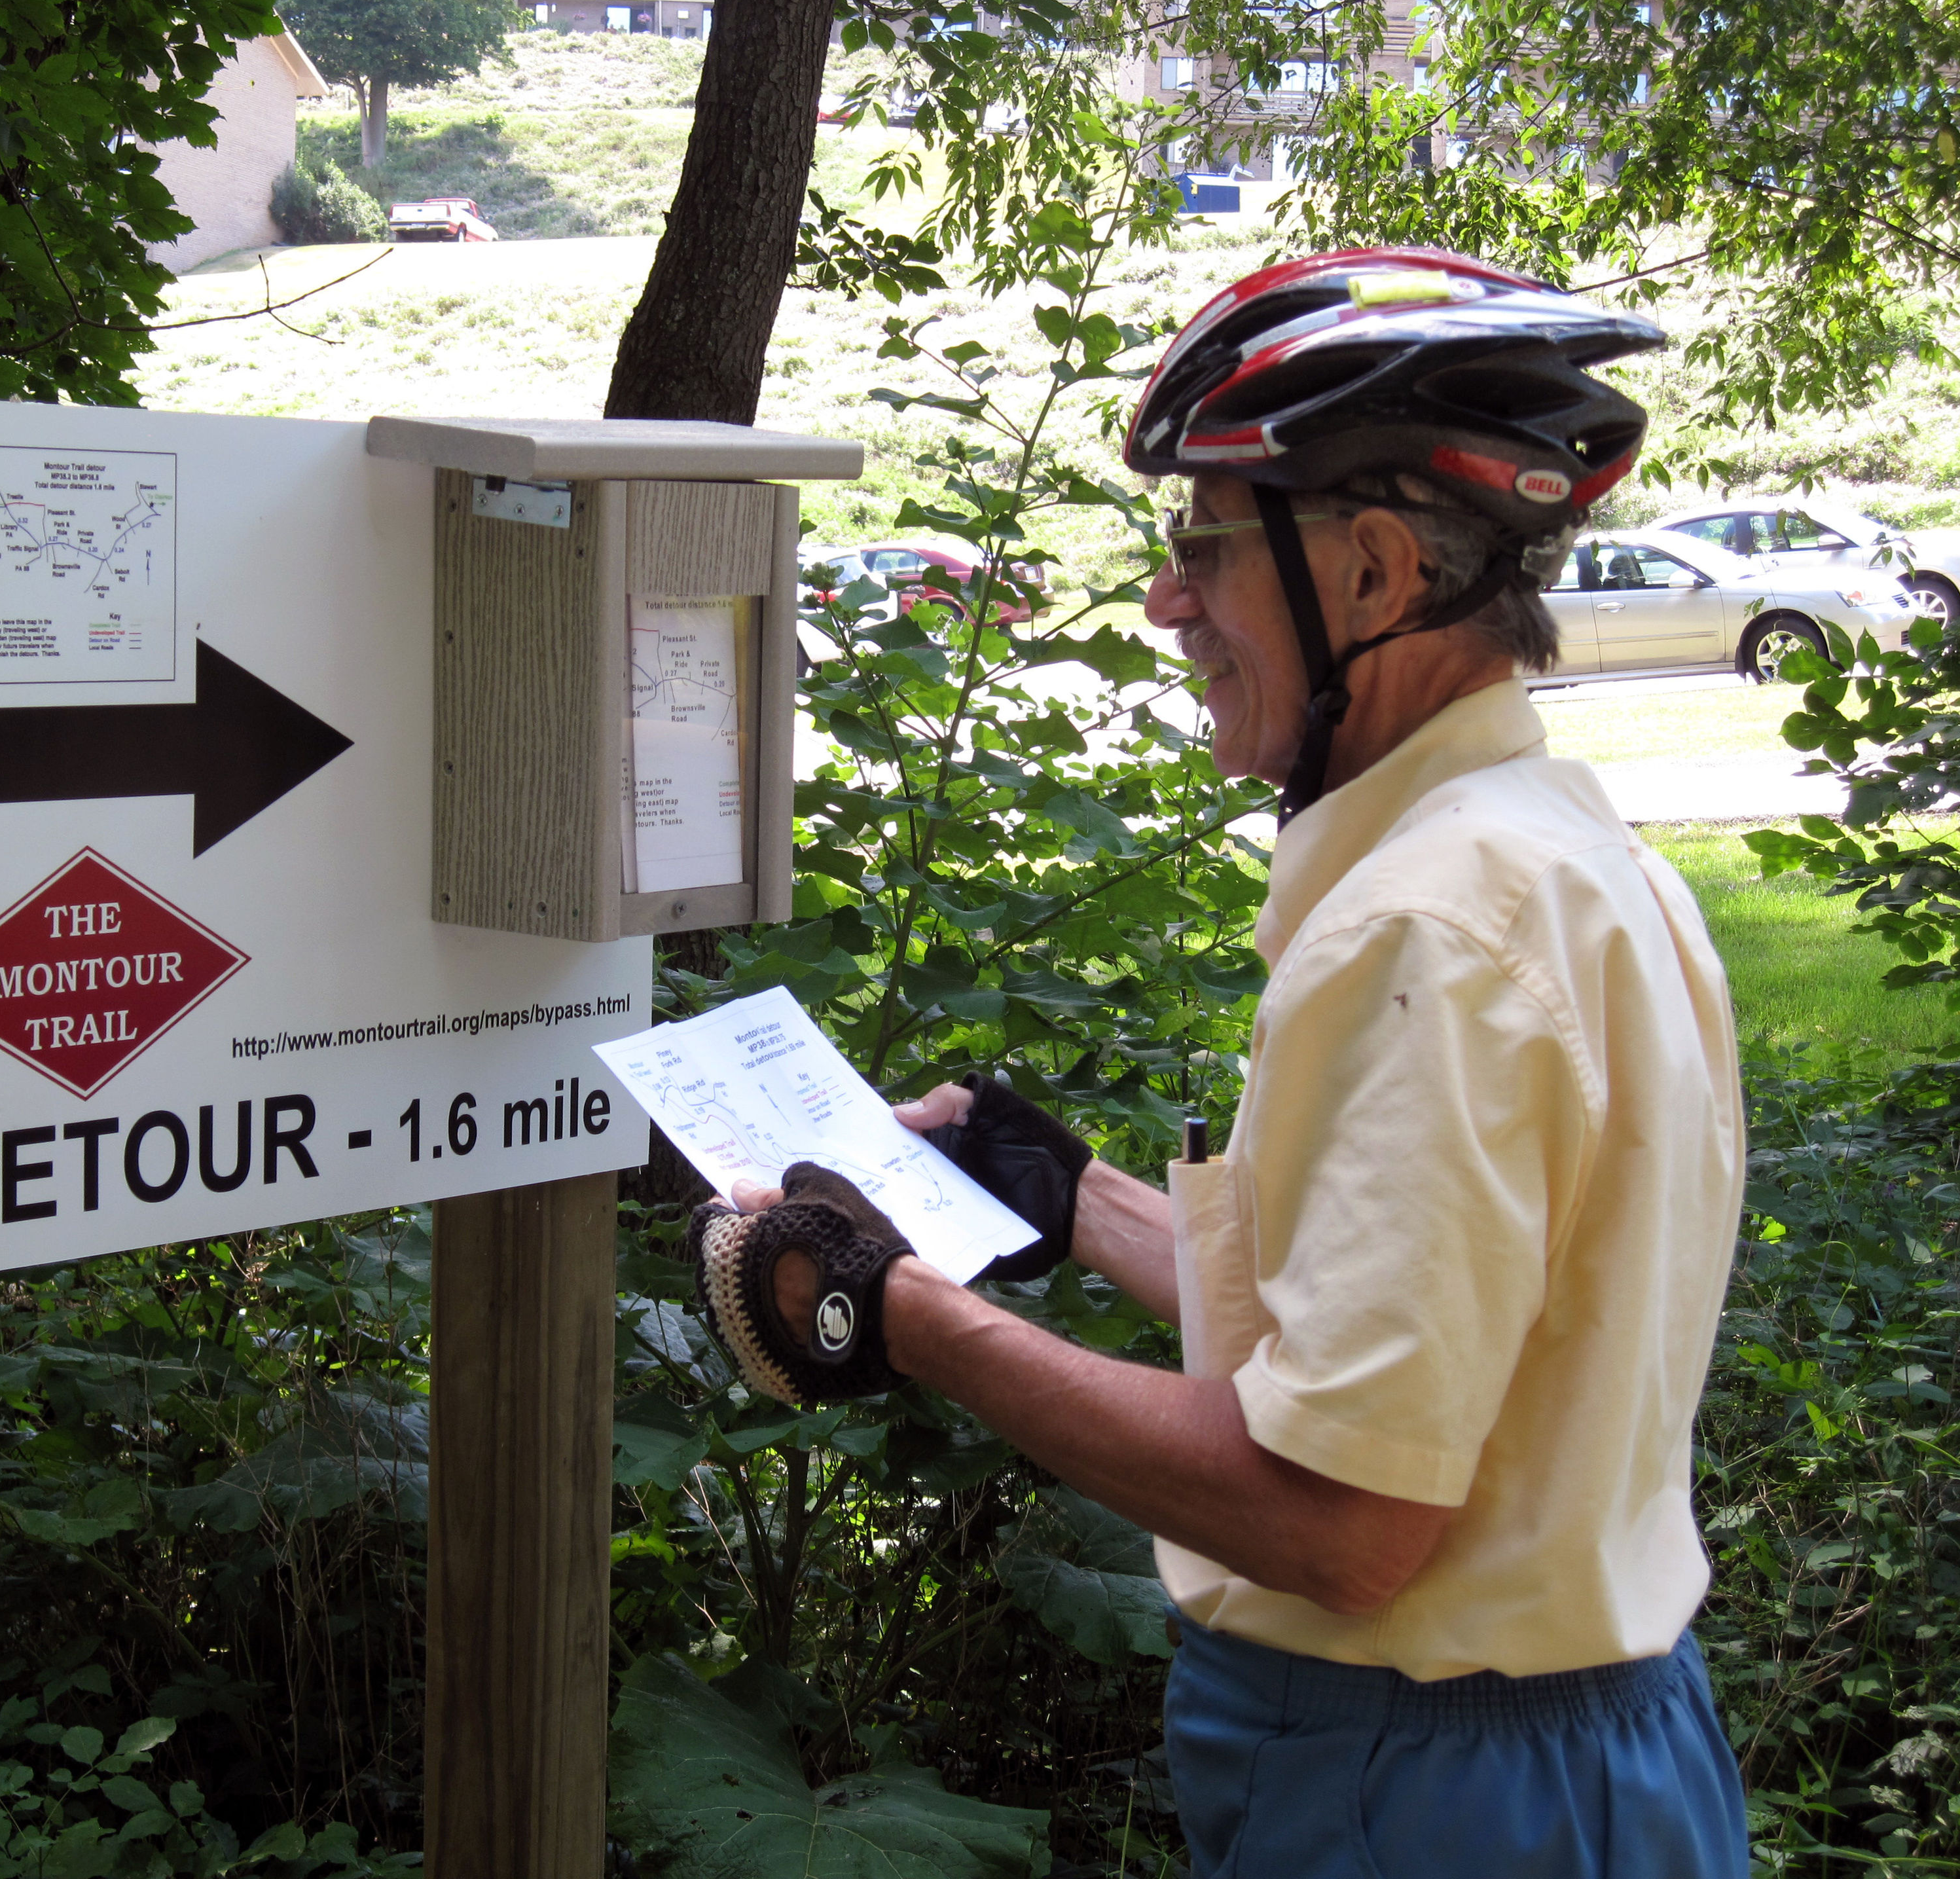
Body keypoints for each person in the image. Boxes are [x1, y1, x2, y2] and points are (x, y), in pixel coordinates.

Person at [686, 247, 1752, 1877]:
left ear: (1380, 571)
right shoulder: (1566, 860)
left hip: (1428, 1795)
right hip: (1587, 1758)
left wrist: (899, 1309)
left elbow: (1338, 1517)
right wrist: (1057, 1189)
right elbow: (1409, 1336)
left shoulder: (1430, 933)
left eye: (1202, 549)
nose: (1168, 604)